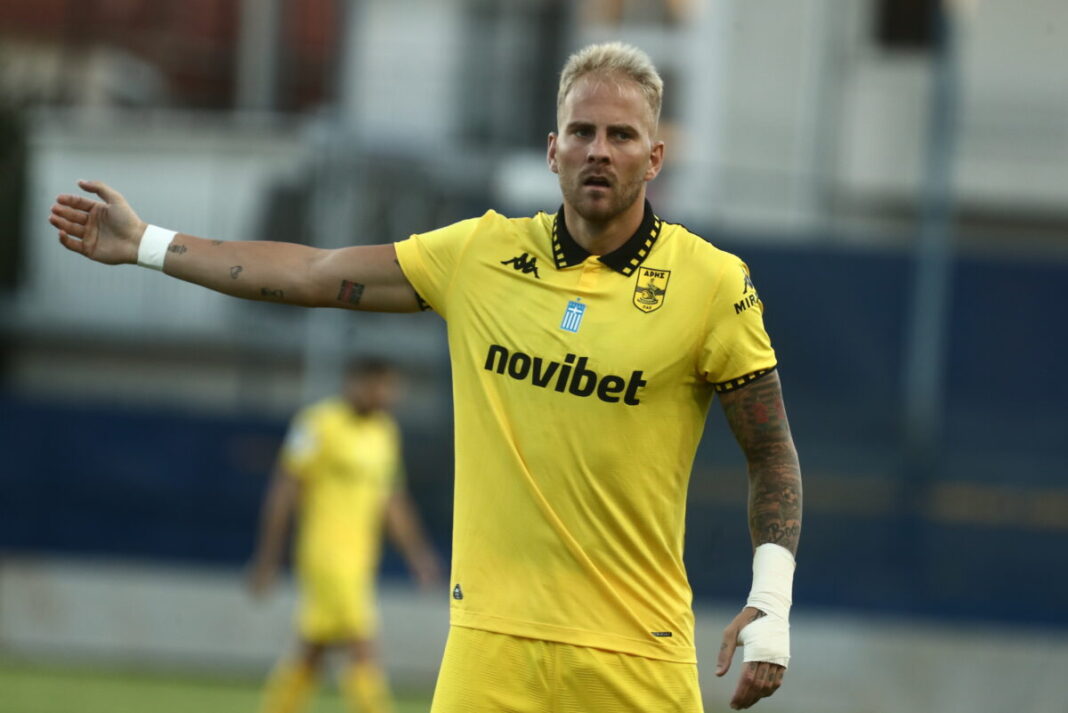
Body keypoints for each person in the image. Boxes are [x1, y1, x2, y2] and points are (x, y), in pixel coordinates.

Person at [49, 42, 802, 712]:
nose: (598, 150)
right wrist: (146, 243)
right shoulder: (480, 256)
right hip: (489, 649)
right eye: (581, 132)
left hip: (636, 654)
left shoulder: (710, 283)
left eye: (621, 135)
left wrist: (771, 602)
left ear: (655, 156)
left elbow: (771, 452)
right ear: (553, 150)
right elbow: (314, 272)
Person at [248, 356, 440, 713]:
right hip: (325, 555)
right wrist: (268, 556)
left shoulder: (385, 433)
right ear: (356, 384)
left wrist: (418, 555)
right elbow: (285, 490)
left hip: (361, 557)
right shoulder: (318, 424)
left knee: (314, 648)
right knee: (361, 644)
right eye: (380, 387)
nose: (388, 395)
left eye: (391, 388)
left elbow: (392, 501)